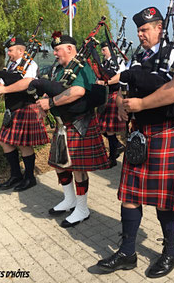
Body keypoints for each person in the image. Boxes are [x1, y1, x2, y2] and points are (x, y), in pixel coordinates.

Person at [95, 7, 174, 278]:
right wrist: (122, 104)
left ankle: (171, 252)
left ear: (160, 28)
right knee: (128, 197)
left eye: (145, 29)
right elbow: (120, 86)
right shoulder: (137, 57)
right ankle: (127, 253)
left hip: (164, 133)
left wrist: (143, 103)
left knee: (164, 200)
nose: (140, 34)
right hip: (139, 135)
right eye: (138, 30)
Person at [36, 33, 109, 228]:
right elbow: (53, 88)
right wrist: (43, 104)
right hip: (62, 124)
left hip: (79, 123)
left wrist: (50, 103)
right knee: (60, 164)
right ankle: (69, 200)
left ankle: (82, 208)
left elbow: (78, 91)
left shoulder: (83, 68)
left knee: (77, 168)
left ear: (69, 49)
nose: (54, 52)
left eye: (58, 49)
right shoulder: (59, 69)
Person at [0, 37, 49, 192]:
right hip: (12, 109)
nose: (8, 53)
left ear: (20, 50)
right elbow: (4, 81)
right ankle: (16, 175)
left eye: (10, 50)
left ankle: (30, 178)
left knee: (24, 145)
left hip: (26, 106)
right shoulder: (11, 65)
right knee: (5, 141)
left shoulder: (30, 64)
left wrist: (4, 90)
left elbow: (28, 82)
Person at [97, 41, 126, 168]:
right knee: (101, 127)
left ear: (110, 49)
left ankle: (112, 159)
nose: (103, 52)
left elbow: (122, 76)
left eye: (104, 49)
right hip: (105, 96)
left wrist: (106, 83)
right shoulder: (104, 63)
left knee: (109, 130)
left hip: (115, 94)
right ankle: (118, 146)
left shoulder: (119, 61)